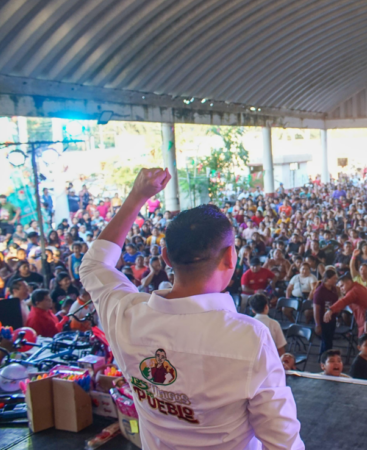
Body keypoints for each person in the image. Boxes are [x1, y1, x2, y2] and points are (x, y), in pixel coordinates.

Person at [79, 168, 303, 449]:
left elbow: (93, 265)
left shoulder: (124, 315)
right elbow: (283, 443)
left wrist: (137, 197)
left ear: (165, 257)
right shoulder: (249, 338)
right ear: (230, 257)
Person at [313, 269, 340, 354]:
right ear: (327, 279)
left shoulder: (334, 289)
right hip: (323, 320)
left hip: (332, 319)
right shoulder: (319, 292)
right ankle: (325, 359)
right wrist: (317, 324)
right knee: (326, 341)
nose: (336, 281)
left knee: (329, 341)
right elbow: (316, 309)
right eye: (334, 279)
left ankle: (324, 357)